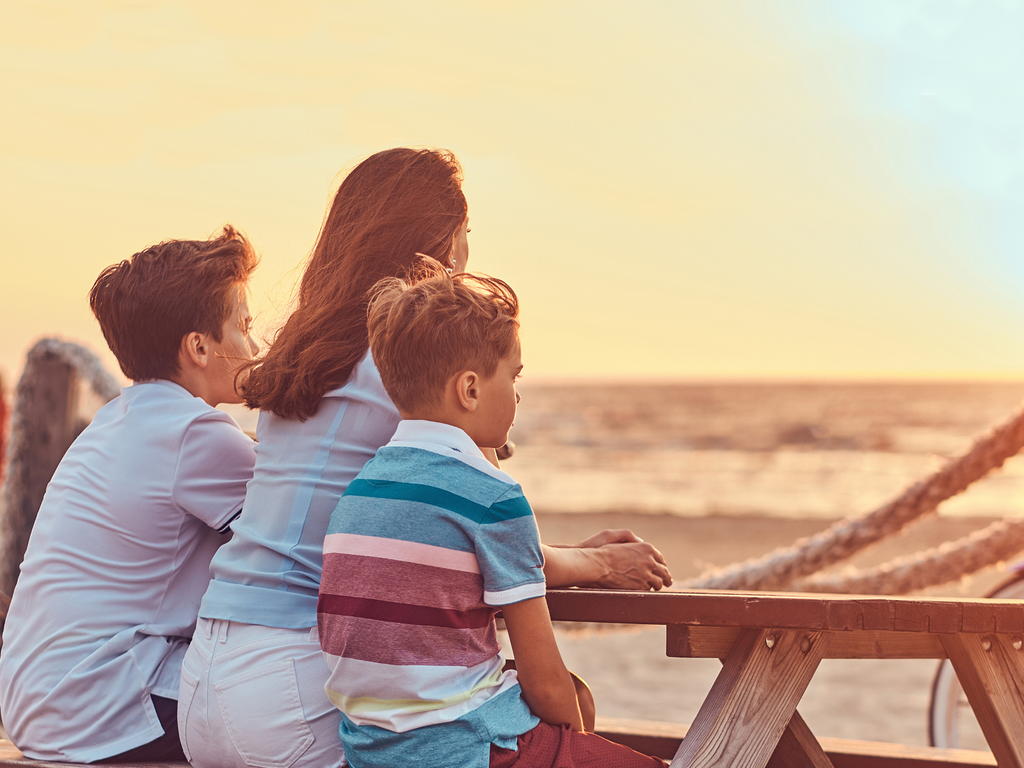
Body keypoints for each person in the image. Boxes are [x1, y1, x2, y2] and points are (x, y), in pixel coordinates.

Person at [179, 147, 672, 768]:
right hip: (296, 690)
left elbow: (423, 534)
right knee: (550, 710)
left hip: (206, 676)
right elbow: (470, 523)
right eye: (466, 236)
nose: (467, 256)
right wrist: (596, 564)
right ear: (442, 245)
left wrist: (562, 555)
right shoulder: (401, 366)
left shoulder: (303, 356)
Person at [319, 267, 666, 768]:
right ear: (470, 390)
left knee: (579, 700)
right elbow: (544, 684)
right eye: (514, 375)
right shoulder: (493, 498)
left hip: (373, 753)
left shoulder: (361, 492)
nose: (519, 394)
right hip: (469, 750)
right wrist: (575, 752)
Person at [0, 227, 259, 763]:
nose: (255, 347)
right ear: (200, 347)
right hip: (103, 708)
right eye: (246, 327)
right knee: (297, 694)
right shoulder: (196, 433)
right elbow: (301, 531)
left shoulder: (116, 420)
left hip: (38, 702)